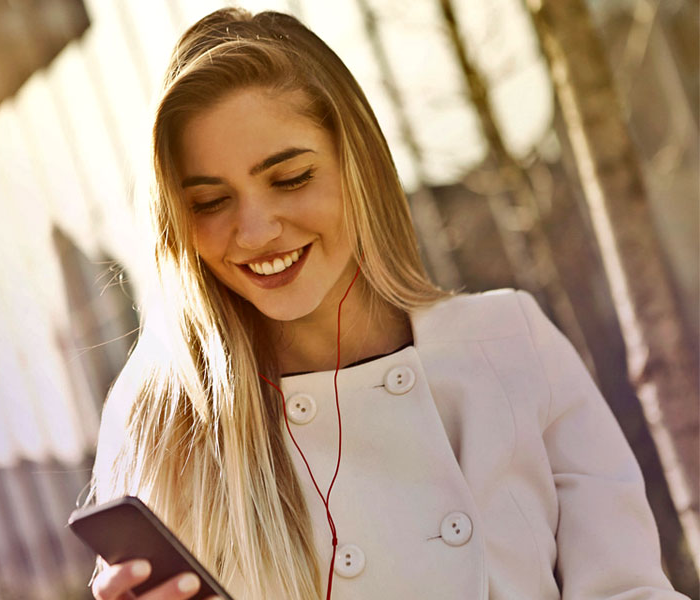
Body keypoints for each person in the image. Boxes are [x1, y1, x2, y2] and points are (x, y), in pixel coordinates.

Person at [86, 8, 686, 600]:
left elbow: (628, 590)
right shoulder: (165, 424)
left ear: (360, 166)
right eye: (211, 203)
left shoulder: (507, 343)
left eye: (290, 178)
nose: (255, 231)